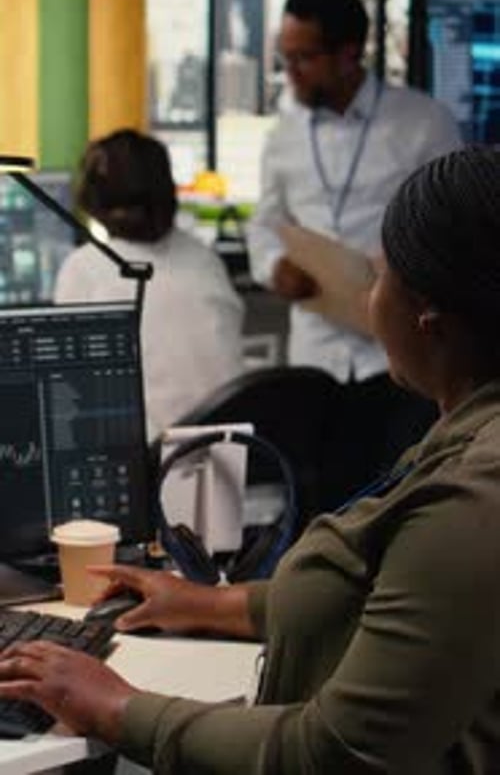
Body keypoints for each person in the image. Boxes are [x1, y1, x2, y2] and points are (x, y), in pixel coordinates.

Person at [2, 145, 500, 773]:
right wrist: (206, 604)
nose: (369, 297)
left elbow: (329, 754)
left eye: (377, 277)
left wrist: (117, 707)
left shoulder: (472, 503)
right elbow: (382, 594)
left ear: (428, 315)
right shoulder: (460, 438)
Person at [248, 0, 463, 506]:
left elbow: (457, 223)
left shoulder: (421, 122)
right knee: (319, 499)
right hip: (315, 351)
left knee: (397, 498)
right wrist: (275, 266)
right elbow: (263, 222)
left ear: (349, 54)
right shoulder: (284, 134)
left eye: (304, 57)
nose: (291, 71)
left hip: (399, 356)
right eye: (285, 57)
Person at [54, 129, 244, 438]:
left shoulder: (84, 268)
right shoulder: (205, 259)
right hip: (236, 455)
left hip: (157, 463)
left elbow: (69, 391)